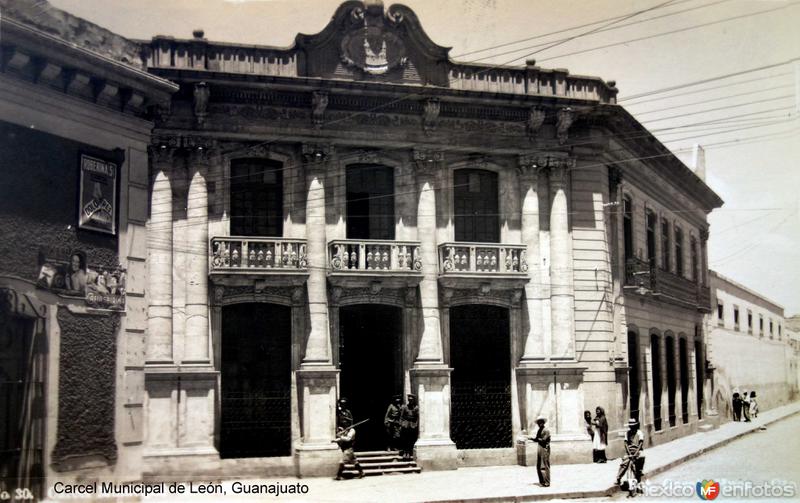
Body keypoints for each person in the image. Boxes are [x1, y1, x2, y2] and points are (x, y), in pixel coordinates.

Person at [615, 418, 645, 489]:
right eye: (630, 426)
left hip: (637, 450)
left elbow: (640, 444)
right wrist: (629, 453)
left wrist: (636, 453)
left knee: (641, 457)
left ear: (635, 425)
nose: (631, 427)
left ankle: (639, 472)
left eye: (633, 426)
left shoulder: (639, 433)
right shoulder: (627, 433)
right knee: (624, 463)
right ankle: (618, 478)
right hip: (629, 450)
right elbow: (625, 444)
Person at [531, 415, 550, 487]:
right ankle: (541, 481)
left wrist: (537, 439)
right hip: (539, 447)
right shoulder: (539, 430)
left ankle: (547, 481)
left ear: (543, 423)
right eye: (538, 423)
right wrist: (531, 439)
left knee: (544, 465)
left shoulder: (546, 430)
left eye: (540, 423)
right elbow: (537, 439)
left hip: (545, 448)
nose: (539, 424)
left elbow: (544, 440)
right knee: (539, 465)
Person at [399, 394, 419, 460]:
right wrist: (401, 424)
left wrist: (415, 425)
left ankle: (409, 453)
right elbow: (401, 417)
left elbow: (417, 418)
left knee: (411, 440)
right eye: (409, 400)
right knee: (405, 440)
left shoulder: (416, 408)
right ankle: (405, 453)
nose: (410, 401)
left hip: (412, 426)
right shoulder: (405, 407)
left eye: (412, 400)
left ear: (413, 400)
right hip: (406, 425)